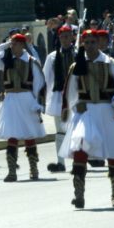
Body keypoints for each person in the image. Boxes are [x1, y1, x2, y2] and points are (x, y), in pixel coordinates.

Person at [59, 29, 114, 209]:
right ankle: (79, 193)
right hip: (86, 114)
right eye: (87, 42)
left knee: (113, 153)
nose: (90, 46)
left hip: (107, 111)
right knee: (80, 149)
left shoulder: (110, 63)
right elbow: (70, 91)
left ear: (99, 43)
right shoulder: (76, 66)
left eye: (93, 42)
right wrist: (73, 107)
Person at [0, 33, 46, 181]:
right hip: (11, 100)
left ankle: (34, 169)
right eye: (11, 44)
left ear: (22, 45)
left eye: (14, 44)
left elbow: (39, 84)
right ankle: (12, 171)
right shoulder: (6, 61)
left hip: (27, 100)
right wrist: (5, 45)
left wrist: (37, 103)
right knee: (12, 135)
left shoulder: (32, 62)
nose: (12, 46)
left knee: (29, 134)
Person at [42, 24, 76, 172]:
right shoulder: (52, 56)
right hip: (59, 96)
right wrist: (43, 97)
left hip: (76, 96)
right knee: (61, 131)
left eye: (67, 36)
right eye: (62, 36)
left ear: (72, 37)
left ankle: (77, 161)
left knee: (76, 130)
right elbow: (46, 78)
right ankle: (60, 162)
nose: (65, 39)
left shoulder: (78, 54)